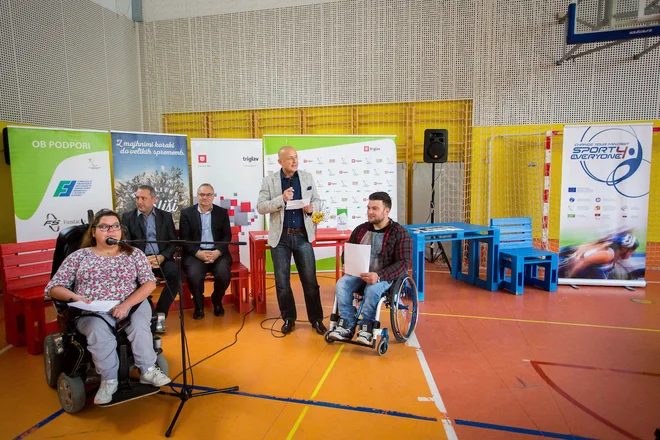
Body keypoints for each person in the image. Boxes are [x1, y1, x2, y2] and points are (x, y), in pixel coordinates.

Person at [45, 209, 171, 405]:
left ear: (121, 231)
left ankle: (147, 369)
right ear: (93, 232)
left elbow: (149, 283)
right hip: (93, 310)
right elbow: (54, 287)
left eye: (115, 226)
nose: (110, 231)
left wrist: (126, 305)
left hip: (131, 305)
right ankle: (109, 379)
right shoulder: (79, 256)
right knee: (98, 331)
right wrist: (74, 296)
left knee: (140, 323)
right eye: (104, 227)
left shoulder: (134, 254)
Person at [257, 146, 326, 335]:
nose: (295, 161)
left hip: (303, 236)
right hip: (281, 238)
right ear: (280, 162)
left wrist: (312, 209)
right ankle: (289, 318)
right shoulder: (269, 181)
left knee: (310, 281)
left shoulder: (306, 177)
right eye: (290, 159)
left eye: (296, 157)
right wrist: (282, 199)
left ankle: (317, 319)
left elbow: (318, 200)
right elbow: (261, 207)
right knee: (281, 283)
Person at [328, 192, 411, 345]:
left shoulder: (400, 233)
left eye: (375, 208)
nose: (370, 212)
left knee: (372, 289)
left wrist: (379, 275)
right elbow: (348, 252)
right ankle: (346, 324)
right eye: (368, 208)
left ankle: (366, 327)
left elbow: (403, 264)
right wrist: (347, 263)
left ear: (386, 211)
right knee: (342, 284)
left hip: (384, 277)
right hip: (360, 273)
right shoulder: (360, 230)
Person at [121, 185, 179, 333]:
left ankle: (160, 313)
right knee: (136, 281)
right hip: (140, 261)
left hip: (161, 258)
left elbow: (173, 242)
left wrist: (162, 256)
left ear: (154, 199)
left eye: (143, 198)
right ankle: (148, 316)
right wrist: (142, 260)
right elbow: (126, 245)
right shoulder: (127, 217)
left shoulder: (165, 216)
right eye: (137, 198)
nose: (139, 201)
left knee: (177, 275)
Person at [179, 183, 232, 320]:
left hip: (217, 253)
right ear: (198, 196)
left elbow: (227, 236)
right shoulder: (187, 213)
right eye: (202, 194)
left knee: (224, 275)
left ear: (213, 196)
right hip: (195, 253)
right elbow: (185, 239)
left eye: (208, 194)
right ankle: (199, 305)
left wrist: (217, 252)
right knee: (194, 276)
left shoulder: (222, 213)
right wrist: (198, 253)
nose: (205, 197)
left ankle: (217, 300)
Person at [562, 232, 639, 279]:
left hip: (574, 259)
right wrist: (569, 276)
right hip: (568, 265)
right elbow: (583, 261)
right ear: (623, 248)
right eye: (632, 250)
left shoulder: (614, 254)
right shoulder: (607, 255)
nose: (632, 253)